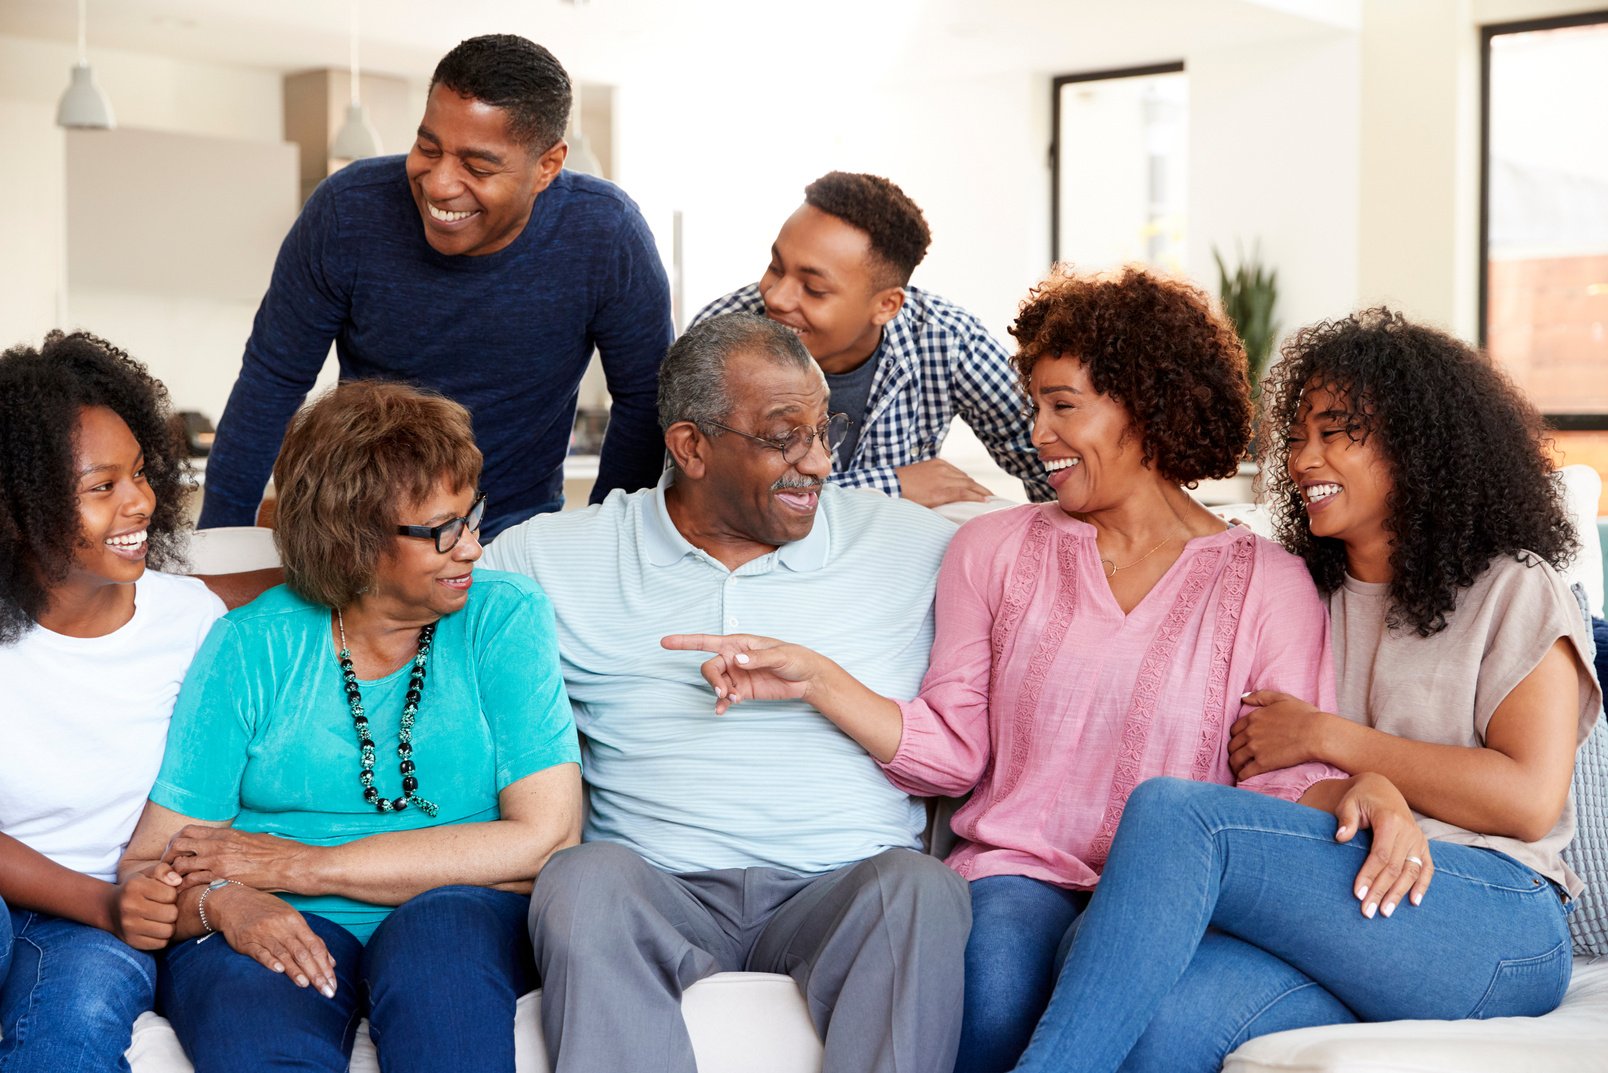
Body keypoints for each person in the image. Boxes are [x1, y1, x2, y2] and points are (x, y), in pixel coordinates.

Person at [669, 267, 1344, 1073]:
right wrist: (819, 679)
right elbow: (954, 751)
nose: (1037, 433)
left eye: (1064, 405)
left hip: (1178, 896)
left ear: (1148, 407)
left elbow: (1280, 792)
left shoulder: (1268, 584)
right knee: (992, 985)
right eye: (1034, 406)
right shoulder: (992, 548)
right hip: (1018, 876)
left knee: (1142, 1006)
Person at [1004, 309, 1601, 1073]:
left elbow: (1527, 799)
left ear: (1419, 443)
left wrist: (1331, 737)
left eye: (1335, 431)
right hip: (1346, 901)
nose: (1302, 458)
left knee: (1176, 816)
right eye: (1295, 436)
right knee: (1152, 1018)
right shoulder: (1297, 592)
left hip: (1491, 917)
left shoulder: (1514, 587)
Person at [481, 312, 972, 1073]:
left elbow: (1066, 588)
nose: (818, 461)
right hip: (658, 887)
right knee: (582, 879)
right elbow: (408, 613)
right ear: (691, 446)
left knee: (919, 889)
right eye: (785, 436)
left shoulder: (916, 547)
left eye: (823, 428)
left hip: (839, 886)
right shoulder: (549, 558)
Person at [122, 381, 582, 1072]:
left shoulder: (504, 617)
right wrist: (225, 901)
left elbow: (546, 836)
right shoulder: (251, 643)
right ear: (355, 542)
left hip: (457, 912)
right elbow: (150, 865)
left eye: (471, 515)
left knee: (438, 954)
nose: (473, 547)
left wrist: (300, 864)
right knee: (248, 1004)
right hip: (279, 917)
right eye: (442, 530)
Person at [198, 33, 672, 541]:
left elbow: (646, 400)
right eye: (428, 147)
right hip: (358, 528)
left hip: (514, 532)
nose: (439, 183)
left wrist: (606, 544)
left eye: (478, 165)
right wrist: (218, 545)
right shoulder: (347, 210)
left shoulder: (606, 232)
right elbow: (272, 381)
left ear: (548, 167)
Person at [0, 331, 226, 1071]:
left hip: (103, 926)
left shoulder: (189, 622)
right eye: (103, 487)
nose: (140, 501)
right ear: (19, 509)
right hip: (66, 902)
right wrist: (101, 902)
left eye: (139, 472)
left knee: (70, 1027)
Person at [693, 171, 1050, 508]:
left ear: (886, 305)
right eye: (776, 267)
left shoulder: (947, 339)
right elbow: (699, 494)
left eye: (814, 289)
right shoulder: (721, 336)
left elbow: (1049, 458)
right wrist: (893, 486)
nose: (776, 298)